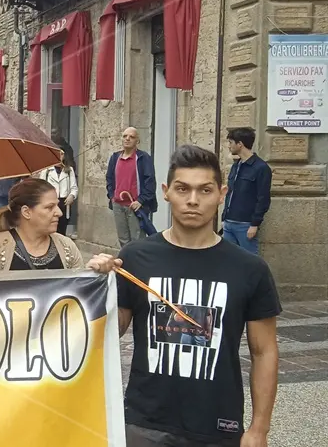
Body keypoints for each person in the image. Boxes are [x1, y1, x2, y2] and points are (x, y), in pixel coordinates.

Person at [108, 145, 280, 447]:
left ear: (221, 194)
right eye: (182, 189)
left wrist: (259, 429)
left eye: (204, 190)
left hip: (217, 425)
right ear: (166, 192)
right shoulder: (135, 258)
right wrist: (97, 285)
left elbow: (264, 352)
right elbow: (109, 333)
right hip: (144, 422)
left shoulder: (249, 269)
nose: (192, 200)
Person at [0, 178, 85, 271]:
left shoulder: (67, 247)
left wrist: (96, 273)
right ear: (26, 212)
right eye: (49, 207)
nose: (59, 213)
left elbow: (83, 293)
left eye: (57, 206)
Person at [222, 127, 271, 255]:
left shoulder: (261, 168)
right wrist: (224, 218)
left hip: (245, 225)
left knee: (250, 262)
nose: (229, 146)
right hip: (228, 223)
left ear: (240, 144)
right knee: (227, 260)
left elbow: (263, 198)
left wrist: (254, 224)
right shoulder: (236, 165)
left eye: (231, 142)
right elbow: (230, 193)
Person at [106, 127, 157, 247]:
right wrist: (112, 196)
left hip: (135, 206)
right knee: (123, 240)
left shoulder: (143, 158)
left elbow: (150, 181)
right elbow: (109, 178)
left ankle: (138, 265)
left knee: (137, 240)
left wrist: (141, 200)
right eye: (125, 136)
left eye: (131, 137)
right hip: (118, 204)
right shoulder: (115, 157)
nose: (127, 139)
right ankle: (126, 264)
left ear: (137, 141)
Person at [37, 152, 78, 236]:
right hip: (50, 202)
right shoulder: (47, 170)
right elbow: (40, 187)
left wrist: (71, 196)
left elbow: (74, 188)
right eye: (57, 153)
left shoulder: (69, 170)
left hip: (64, 202)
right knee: (51, 227)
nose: (60, 156)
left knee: (62, 228)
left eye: (62, 154)